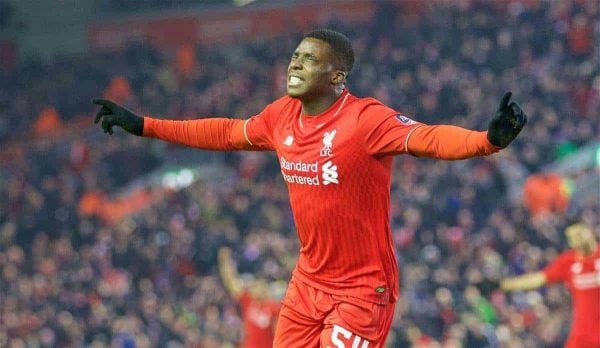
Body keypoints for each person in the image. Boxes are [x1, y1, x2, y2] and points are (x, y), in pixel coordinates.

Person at [92, 29, 527, 347]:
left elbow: (428, 139)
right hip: (307, 284)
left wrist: (485, 141)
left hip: (362, 290)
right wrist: (144, 125)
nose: (295, 63)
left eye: (309, 58)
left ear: (337, 75)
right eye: (295, 56)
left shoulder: (366, 119)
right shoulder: (281, 116)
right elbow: (225, 132)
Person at [500, 223, 600, 348]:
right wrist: (506, 285)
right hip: (583, 335)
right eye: (573, 237)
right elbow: (538, 279)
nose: (578, 239)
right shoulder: (568, 261)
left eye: (580, 234)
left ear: (590, 232)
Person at [217, 247, 281, 348]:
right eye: (253, 286)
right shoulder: (249, 301)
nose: (254, 289)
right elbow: (231, 283)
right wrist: (225, 262)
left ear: (264, 287)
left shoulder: (274, 307)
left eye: (257, 286)